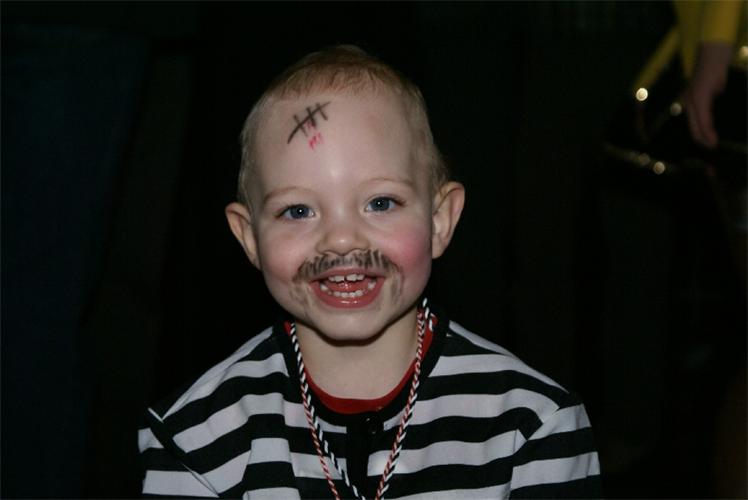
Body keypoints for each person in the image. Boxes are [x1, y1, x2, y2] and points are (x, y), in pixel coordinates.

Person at [138, 45, 602, 499]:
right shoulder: (194, 438)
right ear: (250, 238)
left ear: (439, 220)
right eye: (298, 211)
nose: (342, 240)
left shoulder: (532, 427)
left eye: (380, 203)